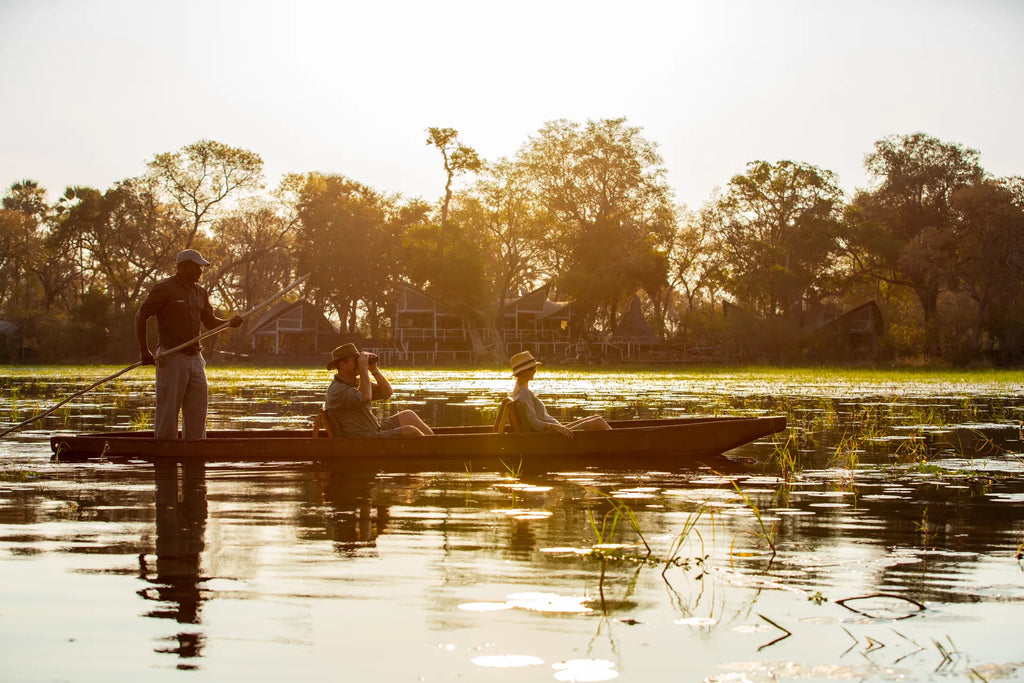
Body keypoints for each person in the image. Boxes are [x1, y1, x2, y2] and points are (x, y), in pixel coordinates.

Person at [135, 249, 244, 441]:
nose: (200, 271)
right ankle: (165, 453)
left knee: (198, 409)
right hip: (171, 356)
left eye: (201, 267)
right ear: (182, 266)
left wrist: (229, 322)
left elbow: (209, 322)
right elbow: (141, 316)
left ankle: (194, 452)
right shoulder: (165, 288)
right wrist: (145, 351)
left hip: (196, 358)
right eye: (196, 266)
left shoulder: (200, 292)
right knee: (168, 410)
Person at [323, 343, 434, 437]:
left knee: (408, 415)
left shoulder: (356, 383)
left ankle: (436, 444)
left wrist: (374, 369)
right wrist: (363, 370)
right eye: (355, 360)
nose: (359, 363)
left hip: (375, 428)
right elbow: (365, 397)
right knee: (410, 431)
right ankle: (436, 452)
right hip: (364, 438)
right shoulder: (337, 390)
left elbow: (387, 392)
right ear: (342, 364)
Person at [509, 350, 612, 439]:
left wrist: (557, 426)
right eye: (530, 369)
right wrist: (555, 427)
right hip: (552, 436)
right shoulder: (524, 392)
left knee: (597, 417)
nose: (535, 371)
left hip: (556, 431)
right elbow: (533, 422)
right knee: (598, 422)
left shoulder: (519, 389)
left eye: (535, 367)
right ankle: (620, 444)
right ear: (521, 372)